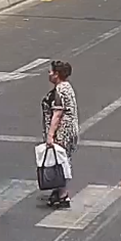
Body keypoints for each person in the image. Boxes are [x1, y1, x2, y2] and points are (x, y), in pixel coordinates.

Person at [41, 60, 79, 208]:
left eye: (51, 72)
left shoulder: (60, 90)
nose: (49, 74)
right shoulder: (66, 87)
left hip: (63, 132)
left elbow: (57, 113)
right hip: (70, 130)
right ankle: (58, 191)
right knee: (61, 160)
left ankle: (63, 194)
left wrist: (50, 135)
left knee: (60, 162)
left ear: (57, 75)